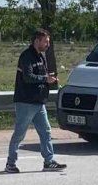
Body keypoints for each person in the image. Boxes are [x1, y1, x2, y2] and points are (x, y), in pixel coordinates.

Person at [6, 29, 67, 173]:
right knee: (19, 133)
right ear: (36, 41)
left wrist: (49, 79)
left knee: (46, 132)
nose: (48, 44)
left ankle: (49, 161)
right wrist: (45, 79)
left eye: (48, 41)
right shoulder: (26, 56)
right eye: (45, 41)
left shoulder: (41, 57)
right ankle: (10, 163)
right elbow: (28, 77)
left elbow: (41, 75)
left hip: (39, 102)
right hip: (26, 101)